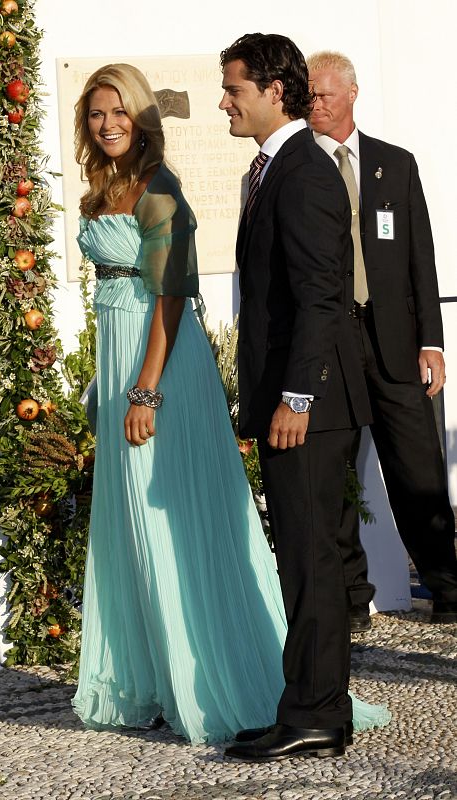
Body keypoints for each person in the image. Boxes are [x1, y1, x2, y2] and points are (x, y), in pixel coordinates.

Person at [70, 62, 389, 748]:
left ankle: (211, 677)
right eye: (97, 114)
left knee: (177, 526)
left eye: (119, 111)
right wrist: (109, 381)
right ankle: (153, 676)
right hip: (118, 357)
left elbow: (172, 297)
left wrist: (146, 388)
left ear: (142, 116)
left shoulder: (159, 189)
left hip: (161, 371)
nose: (108, 124)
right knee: (132, 528)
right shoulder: (102, 187)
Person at [218, 34, 389, 762]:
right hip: (294, 404)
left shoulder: (305, 172)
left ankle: (317, 714)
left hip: (309, 408)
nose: (224, 102)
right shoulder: (276, 168)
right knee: (302, 559)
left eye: (234, 90)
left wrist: (296, 398)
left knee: (313, 561)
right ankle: (309, 708)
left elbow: (322, 299)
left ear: (274, 90)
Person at [306, 50, 457, 629]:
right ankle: (350, 598)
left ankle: (446, 588)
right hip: (330, 341)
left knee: (418, 468)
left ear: (351, 93)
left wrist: (433, 342)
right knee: (336, 474)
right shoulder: (298, 168)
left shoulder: (395, 164)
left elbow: (422, 255)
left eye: (323, 94)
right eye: (308, 96)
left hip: (393, 340)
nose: (315, 105)